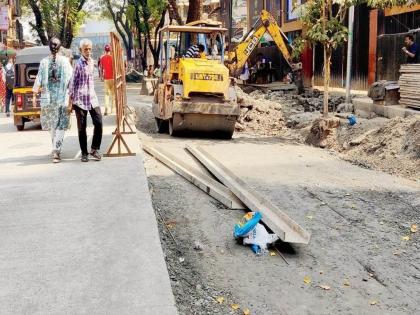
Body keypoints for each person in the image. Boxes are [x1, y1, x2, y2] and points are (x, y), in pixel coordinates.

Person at [33, 38, 73, 163]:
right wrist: (72, 98)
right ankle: (56, 150)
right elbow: (71, 81)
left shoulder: (44, 62)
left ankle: (55, 148)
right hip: (62, 98)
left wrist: (34, 95)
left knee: (52, 125)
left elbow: (38, 78)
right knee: (61, 124)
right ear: (60, 47)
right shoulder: (66, 61)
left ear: (49, 47)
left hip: (48, 98)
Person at [69, 38, 103, 163]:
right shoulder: (78, 65)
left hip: (92, 98)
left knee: (99, 122)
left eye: (89, 49)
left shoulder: (92, 62)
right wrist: (70, 102)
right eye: (85, 49)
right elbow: (72, 84)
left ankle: (94, 149)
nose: (88, 51)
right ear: (81, 50)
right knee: (82, 127)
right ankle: (84, 153)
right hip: (80, 100)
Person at [99, 44, 115, 116]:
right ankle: (112, 109)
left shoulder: (102, 58)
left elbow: (101, 68)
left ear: (105, 50)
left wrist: (102, 77)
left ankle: (106, 109)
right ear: (110, 50)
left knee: (106, 95)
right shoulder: (113, 57)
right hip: (113, 78)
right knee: (113, 95)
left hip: (106, 79)